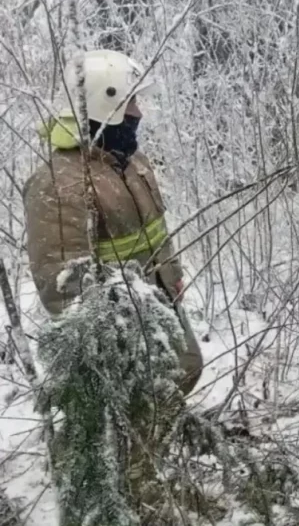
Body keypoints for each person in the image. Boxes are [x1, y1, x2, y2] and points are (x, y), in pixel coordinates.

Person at [23, 49, 203, 396]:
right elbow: (60, 285)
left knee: (186, 370)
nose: (138, 111)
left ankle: (154, 445)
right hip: (118, 328)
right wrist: (109, 347)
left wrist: (173, 275)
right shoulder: (60, 183)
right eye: (131, 101)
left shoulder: (133, 162)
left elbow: (157, 230)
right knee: (148, 399)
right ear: (104, 105)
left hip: (159, 302)